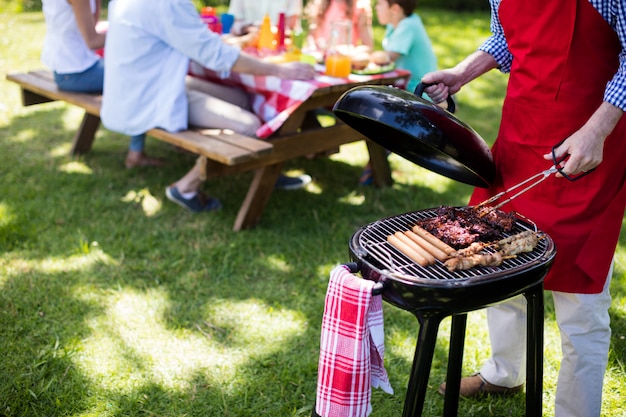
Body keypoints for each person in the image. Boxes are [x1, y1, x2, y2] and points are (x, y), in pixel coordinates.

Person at [422, 0, 626, 416]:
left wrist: (596, 131)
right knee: (498, 260)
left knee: (580, 300)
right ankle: (504, 371)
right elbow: (506, 40)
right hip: (520, 138)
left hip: (589, 145)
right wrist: (462, 73)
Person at [101, 0, 316, 213]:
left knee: (242, 97)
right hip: (151, 98)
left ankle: (267, 168)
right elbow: (215, 55)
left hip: (140, 87)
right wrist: (279, 71)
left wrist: (226, 42)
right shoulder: (169, 4)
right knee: (249, 125)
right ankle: (185, 187)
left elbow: (195, 40)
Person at [41, 0, 163, 169]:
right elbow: (93, 41)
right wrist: (139, 30)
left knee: (137, 69)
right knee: (143, 75)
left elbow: (93, 23)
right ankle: (136, 153)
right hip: (75, 72)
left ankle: (139, 149)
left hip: (70, 67)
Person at [359, 0, 437, 185]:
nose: (376, 8)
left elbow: (387, 58)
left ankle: (375, 167)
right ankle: (375, 164)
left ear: (395, 8)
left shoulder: (409, 25)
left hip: (418, 92)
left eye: (380, 4)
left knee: (374, 112)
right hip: (402, 86)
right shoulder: (395, 26)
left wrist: (359, 55)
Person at [304, 0, 374, 53]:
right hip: (320, 62)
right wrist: (312, 47)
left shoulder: (360, 7)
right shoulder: (321, 4)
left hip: (343, 62)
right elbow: (312, 34)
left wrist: (348, 51)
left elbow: (368, 47)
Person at [227, 0, 303, 36]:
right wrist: (252, 28)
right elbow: (236, 22)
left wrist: (268, 30)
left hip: (281, 45)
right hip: (247, 44)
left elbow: (291, 24)